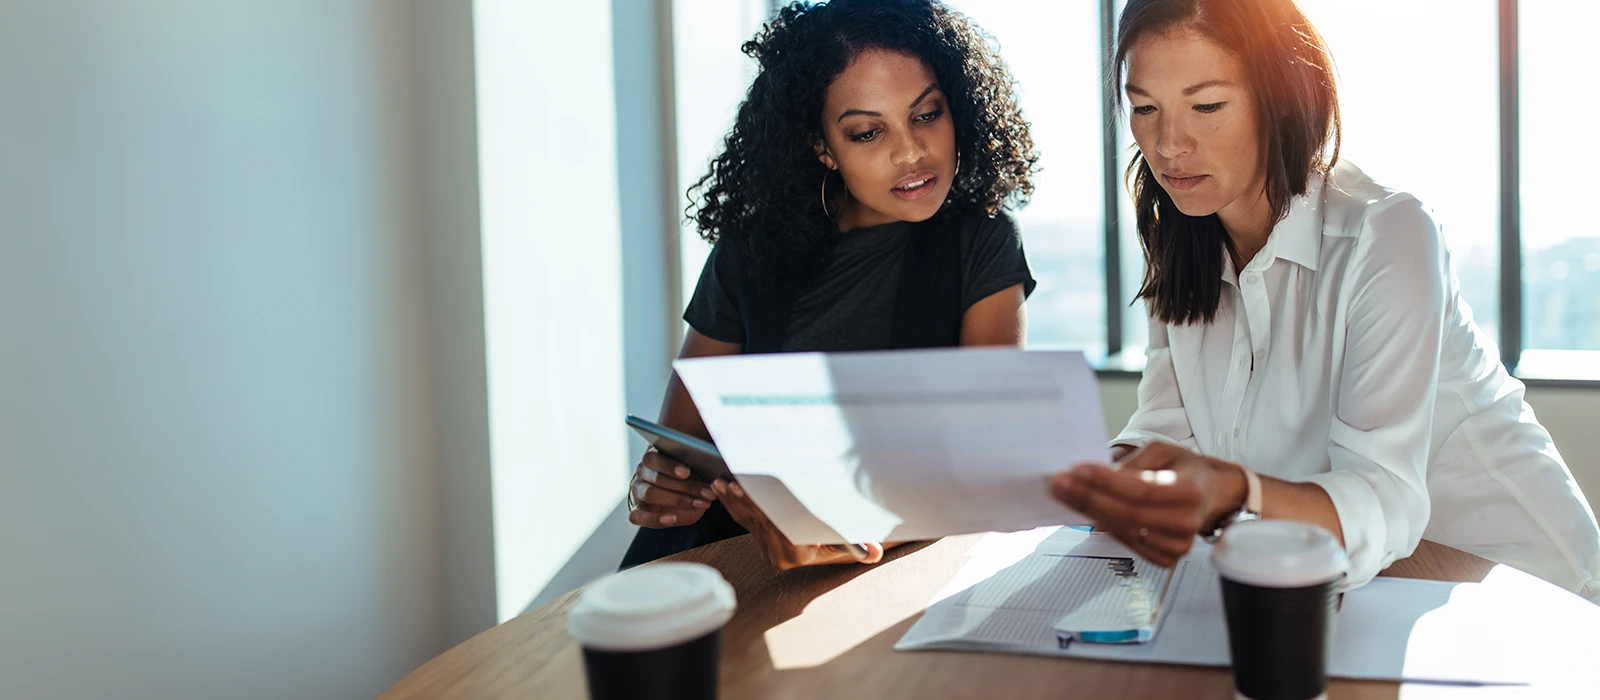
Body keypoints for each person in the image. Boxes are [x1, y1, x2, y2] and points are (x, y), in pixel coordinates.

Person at [1049, 0, 1600, 602]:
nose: (1169, 143)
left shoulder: (1387, 232)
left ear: (1280, 97)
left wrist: (1236, 491)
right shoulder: (1184, 238)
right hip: (1353, 579)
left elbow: (1384, 499)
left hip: (1510, 581)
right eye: (1145, 108)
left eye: (1206, 105)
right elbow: (1167, 432)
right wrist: (1096, 476)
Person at [621, 0, 1041, 570]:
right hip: (724, 561)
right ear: (823, 147)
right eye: (868, 132)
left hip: (887, 562)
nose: (911, 151)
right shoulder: (750, 250)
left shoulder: (981, 239)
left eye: (926, 114)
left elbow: (986, 460)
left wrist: (843, 530)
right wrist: (656, 485)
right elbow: (680, 448)